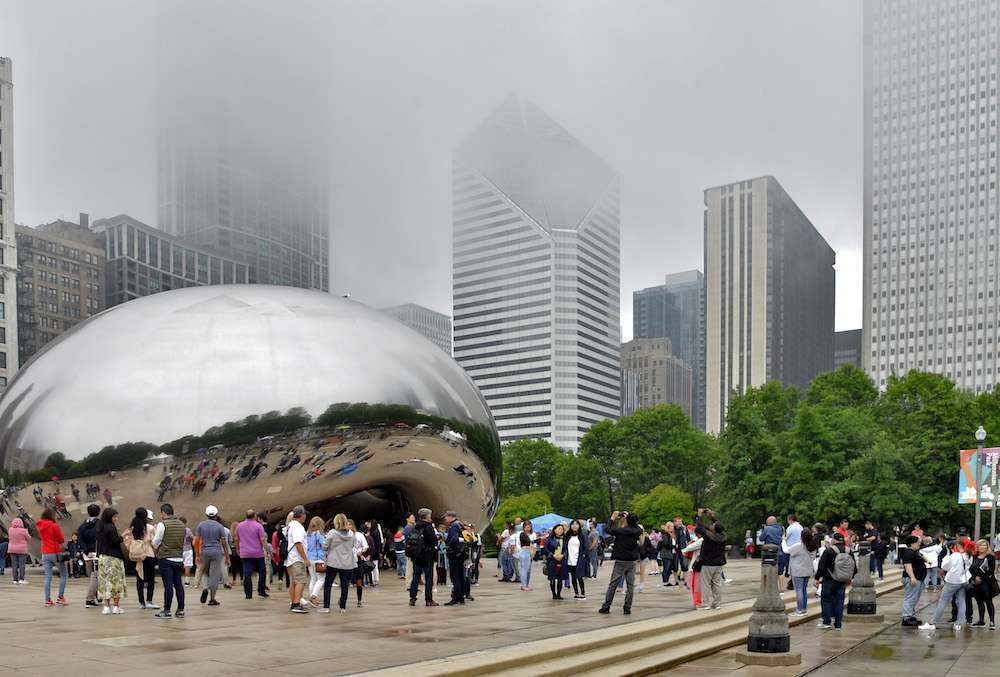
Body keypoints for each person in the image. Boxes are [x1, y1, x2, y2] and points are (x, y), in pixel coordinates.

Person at [920, 541, 972, 631]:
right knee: (961, 602)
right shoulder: (967, 555)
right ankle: (958, 624)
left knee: (942, 602)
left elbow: (944, 566)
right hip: (963, 581)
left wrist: (948, 555)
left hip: (952, 581)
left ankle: (933, 623)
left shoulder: (955, 555)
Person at [599, 511, 641, 615]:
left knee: (613, 584)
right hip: (632, 561)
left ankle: (606, 606)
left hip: (621, 560)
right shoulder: (638, 530)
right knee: (630, 585)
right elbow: (635, 524)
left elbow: (607, 529)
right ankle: (627, 608)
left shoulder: (622, 531)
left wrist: (612, 518)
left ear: (627, 520)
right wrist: (629, 518)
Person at [151, 503, 186, 619]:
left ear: (163, 513)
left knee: (168, 585)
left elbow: (156, 542)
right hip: (179, 558)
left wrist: (155, 547)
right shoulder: (182, 524)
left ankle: (167, 610)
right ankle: (180, 610)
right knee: (178, 585)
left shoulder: (162, 524)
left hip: (166, 558)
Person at [814, 532, 854, 630]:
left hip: (829, 580)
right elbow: (854, 566)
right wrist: (850, 578)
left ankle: (827, 622)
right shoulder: (849, 551)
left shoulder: (829, 550)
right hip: (842, 580)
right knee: (839, 602)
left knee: (826, 600)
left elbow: (821, 566)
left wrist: (817, 578)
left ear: (834, 540)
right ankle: (838, 624)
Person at [320, 514, 357, 614]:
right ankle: (343, 607)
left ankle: (326, 607)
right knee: (345, 585)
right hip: (347, 562)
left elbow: (325, 547)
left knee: (328, 584)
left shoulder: (332, 533)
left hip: (333, 561)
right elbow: (354, 545)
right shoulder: (351, 534)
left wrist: (322, 544)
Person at [195, 505, 231, 607]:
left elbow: (197, 541)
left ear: (206, 514)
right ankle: (212, 599)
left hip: (204, 551)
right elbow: (224, 542)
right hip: (216, 552)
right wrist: (227, 557)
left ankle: (205, 588)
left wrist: (197, 555)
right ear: (216, 515)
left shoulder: (201, 525)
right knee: (214, 575)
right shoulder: (220, 527)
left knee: (205, 572)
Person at [125, 508, 158, 610]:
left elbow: (127, 542)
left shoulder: (132, 528)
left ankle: (141, 602)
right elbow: (155, 543)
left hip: (139, 556)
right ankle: (149, 601)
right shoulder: (150, 527)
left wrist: (134, 549)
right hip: (149, 555)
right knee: (151, 579)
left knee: (140, 579)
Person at [406, 507, 439, 607]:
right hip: (427, 556)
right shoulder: (428, 527)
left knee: (416, 577)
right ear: (427, 516)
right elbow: (434, 541)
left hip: (416, 556)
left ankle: (412, 598)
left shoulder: (414, 527)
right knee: (428, 578)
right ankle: (428, 599)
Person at [96, 507, 126, 615]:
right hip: (114, 558)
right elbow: (114, 542)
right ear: (109, 517)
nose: (116, 519)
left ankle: (106, 607)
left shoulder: (100, 527)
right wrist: (123, 536)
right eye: (114, 517)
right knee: (116, 583)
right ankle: (116, 607)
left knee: (105, 582)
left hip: (103, 558)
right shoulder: (111, 527)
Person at [695, 509, 727, 611]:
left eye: (713, 526)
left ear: (714, 529)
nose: (711, 526)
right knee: (716, 584)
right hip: (719, 564)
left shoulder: (709, 536)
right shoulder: (723, 535)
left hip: (708, 563)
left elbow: (700, 527)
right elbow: (719, 525)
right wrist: (712, 516)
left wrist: (699, 515)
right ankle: (717, 603)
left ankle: (705, 604)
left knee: (705, 584)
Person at [37, 508, 68, 607]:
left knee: (48, 577)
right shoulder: (54, 526)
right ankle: (60, 597)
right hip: (55, 552)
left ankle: (47, 600)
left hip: (45, 553)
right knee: (64, 574)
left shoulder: (40, 526)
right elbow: (61, 539)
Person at [783, 527, 817, 616]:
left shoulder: (799, 546)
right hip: (808, 570)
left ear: (802, 537)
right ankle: (804, 609)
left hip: (797, 571)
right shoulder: (813, 546)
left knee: (798, 590)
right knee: (803, 590)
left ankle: (799, 610)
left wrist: (783, 541)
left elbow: (786, 550)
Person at [235, 509, 268, 600]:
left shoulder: (239, 526)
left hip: (245, 553)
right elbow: (262, 540)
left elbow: (236, 539)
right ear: (255, 516)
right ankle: (261, 591)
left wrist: (238, 549)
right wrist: (267, 550)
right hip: (258, 553)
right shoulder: (259, 526)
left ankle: (248, 594)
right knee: (262, 572)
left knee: (247, 574)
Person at [283, 505, 310, 613]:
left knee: (294, 582)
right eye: (305, 515)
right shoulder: (298, 527)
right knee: (301, 581)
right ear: (302, 515)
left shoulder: (290, 526)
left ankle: (294, 602)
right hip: (297, 559)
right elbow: (298, 543)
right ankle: (296, 604)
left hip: (291, 558)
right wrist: (305, 559)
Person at [900, 534, 927, 626]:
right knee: (910, 598)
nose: (919, 544)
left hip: (918, 578)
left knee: (914, 598)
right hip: (912, 578)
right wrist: (912, 577)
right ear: (912, 543)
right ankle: (906, 617)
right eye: (917, 542)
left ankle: (910, 615)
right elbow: (908, 565)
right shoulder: (908, 552)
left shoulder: (914, 552)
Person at [77, 504, 101, 606]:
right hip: (97, 553)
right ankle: (90, 598)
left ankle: (95, 597)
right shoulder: (100, 524)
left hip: (87, 555)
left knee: (92, 576)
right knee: (96, 577)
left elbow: (79, 538)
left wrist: (85, 550)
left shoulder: (83, 525)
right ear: (99, 512)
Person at [969, 539, 996, 629]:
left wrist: (980, 578)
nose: (983, 547)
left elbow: (991, 571)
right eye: (981, 545)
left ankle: (992, 622)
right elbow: (971, 569)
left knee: (988, 602)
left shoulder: (990, 557)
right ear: (977, 546)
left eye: (985, 545)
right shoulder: (974, 556)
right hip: (976, 583)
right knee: (979, 602)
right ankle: (981, 621)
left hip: (986, 583)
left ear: (987, 547)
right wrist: (974, 578)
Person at [443, 510, 467, 606]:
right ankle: (461, 596)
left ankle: (455, 597)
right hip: (461, 554)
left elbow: (454, 538)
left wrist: (448, 545)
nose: (445, 519)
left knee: (455, 576)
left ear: (450, 517)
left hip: (454, 554)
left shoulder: (453, 526)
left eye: (446, 517)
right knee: (461, 575)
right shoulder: (460, 524)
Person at [544, 523, 569, 600]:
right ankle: (554, 594)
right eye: (558, 529)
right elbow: (545, 549)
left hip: (562, 559)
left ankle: (559, 594)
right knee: (552, 577)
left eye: (561, 529)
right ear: (554, 530)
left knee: (560, 577)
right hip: (552, 560)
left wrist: (563, 555)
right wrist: (552, 555)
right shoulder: (549, 539)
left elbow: (567, 549)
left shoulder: (565, 539)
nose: (560, 531)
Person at [305, 516, 326, 607]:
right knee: (321, 579)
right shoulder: (319, 533)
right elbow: (324, 546)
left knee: (313, 579)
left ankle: (311, 598)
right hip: (319, 559)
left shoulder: (308, 534)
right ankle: (314, 596)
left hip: (310, 559)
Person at [565, 519, 589, 600]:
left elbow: (586, 547)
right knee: (573, 577)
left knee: (579, 577)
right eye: (573, 524)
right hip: (570, 559)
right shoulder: (567, 536)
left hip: (578, 559)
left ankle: (583, 593)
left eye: (576, 524)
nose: (574, 526)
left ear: (579, 526)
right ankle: (576, 593)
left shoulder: (582, 535)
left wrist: (584, 555)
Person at [349, 518, 368, 607]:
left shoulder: (359, 535)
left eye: (350, 524)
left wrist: (361, 552)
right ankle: (342, 598)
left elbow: (366, 546)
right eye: (347, 524)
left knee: (359, 580)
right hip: (347, 560)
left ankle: (359, 600)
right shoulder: (343, 536)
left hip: (357, 559)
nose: (348, 526)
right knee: (346, 580)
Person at [517, 521, 536, 592]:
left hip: (530, 553)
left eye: (529, 526)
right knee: (524, 570)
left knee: (528, 571)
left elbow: (534, 544)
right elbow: (529, 542)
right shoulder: (522, 534)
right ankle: (523, 585)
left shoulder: (533, 534)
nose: (528, 528)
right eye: (526, 526)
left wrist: (533, 553)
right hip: (524, 552)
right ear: (524, 527)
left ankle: (526, 585)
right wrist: (533, 542)